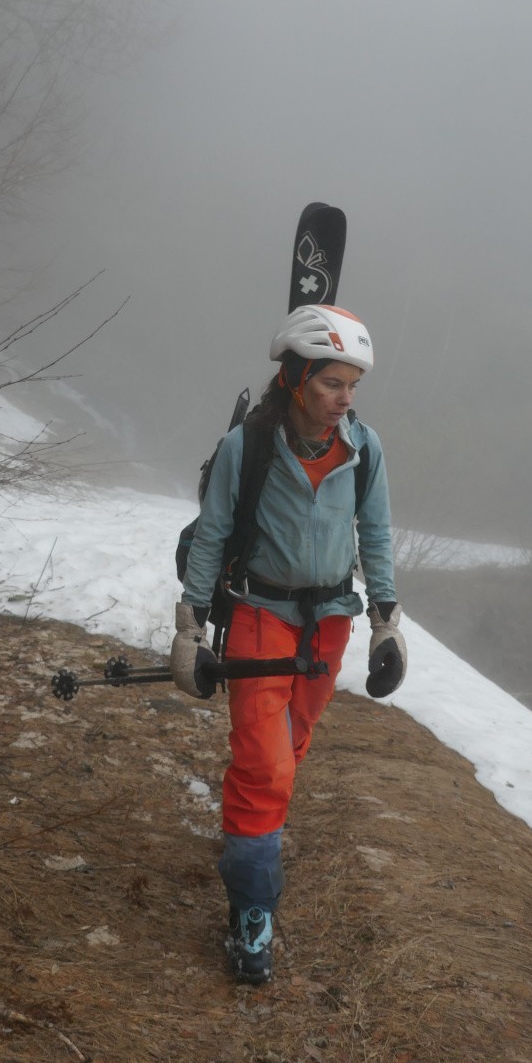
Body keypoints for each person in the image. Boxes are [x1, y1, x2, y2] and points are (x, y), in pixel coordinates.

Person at [170, 303, 406, 984]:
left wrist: (385, 623)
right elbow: (213, 536)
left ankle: (248, 845)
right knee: (266, 766)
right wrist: (189, 626)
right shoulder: (247, 447)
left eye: (352, 386)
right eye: (333, 383)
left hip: (329, 620)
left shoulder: (365, 449)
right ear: (296, 378)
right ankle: (252, 911)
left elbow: (377, 535)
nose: (344, 399)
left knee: (289, 749)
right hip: (258, 616)